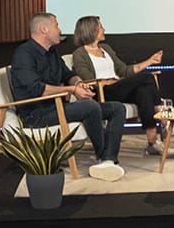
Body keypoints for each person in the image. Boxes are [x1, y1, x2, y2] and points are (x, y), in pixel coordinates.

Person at [8, 11, 127, 181]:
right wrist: (72, 90)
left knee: (117, 108)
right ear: (44, 30)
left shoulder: (52, 53)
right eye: (56, 26)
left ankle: (108, 160)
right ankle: (102, 156)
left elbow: (68, 74)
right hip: (36, 114)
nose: (60, 30)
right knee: (90, 106)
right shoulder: (24, 54)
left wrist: (78, 84)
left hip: (57, 107)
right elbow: (36, 89)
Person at [69, 16, 166, 156]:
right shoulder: (79, 54)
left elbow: (124, 71)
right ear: (91, 30)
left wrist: (150, 61)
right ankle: (163, 117)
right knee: (147, 77)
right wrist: (110, 81)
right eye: (100, 27)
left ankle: (152, 142)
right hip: (102, 92)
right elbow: (88, 79)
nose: (104, 29)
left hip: (118, 87)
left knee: (144, 91)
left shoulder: (106, 48)